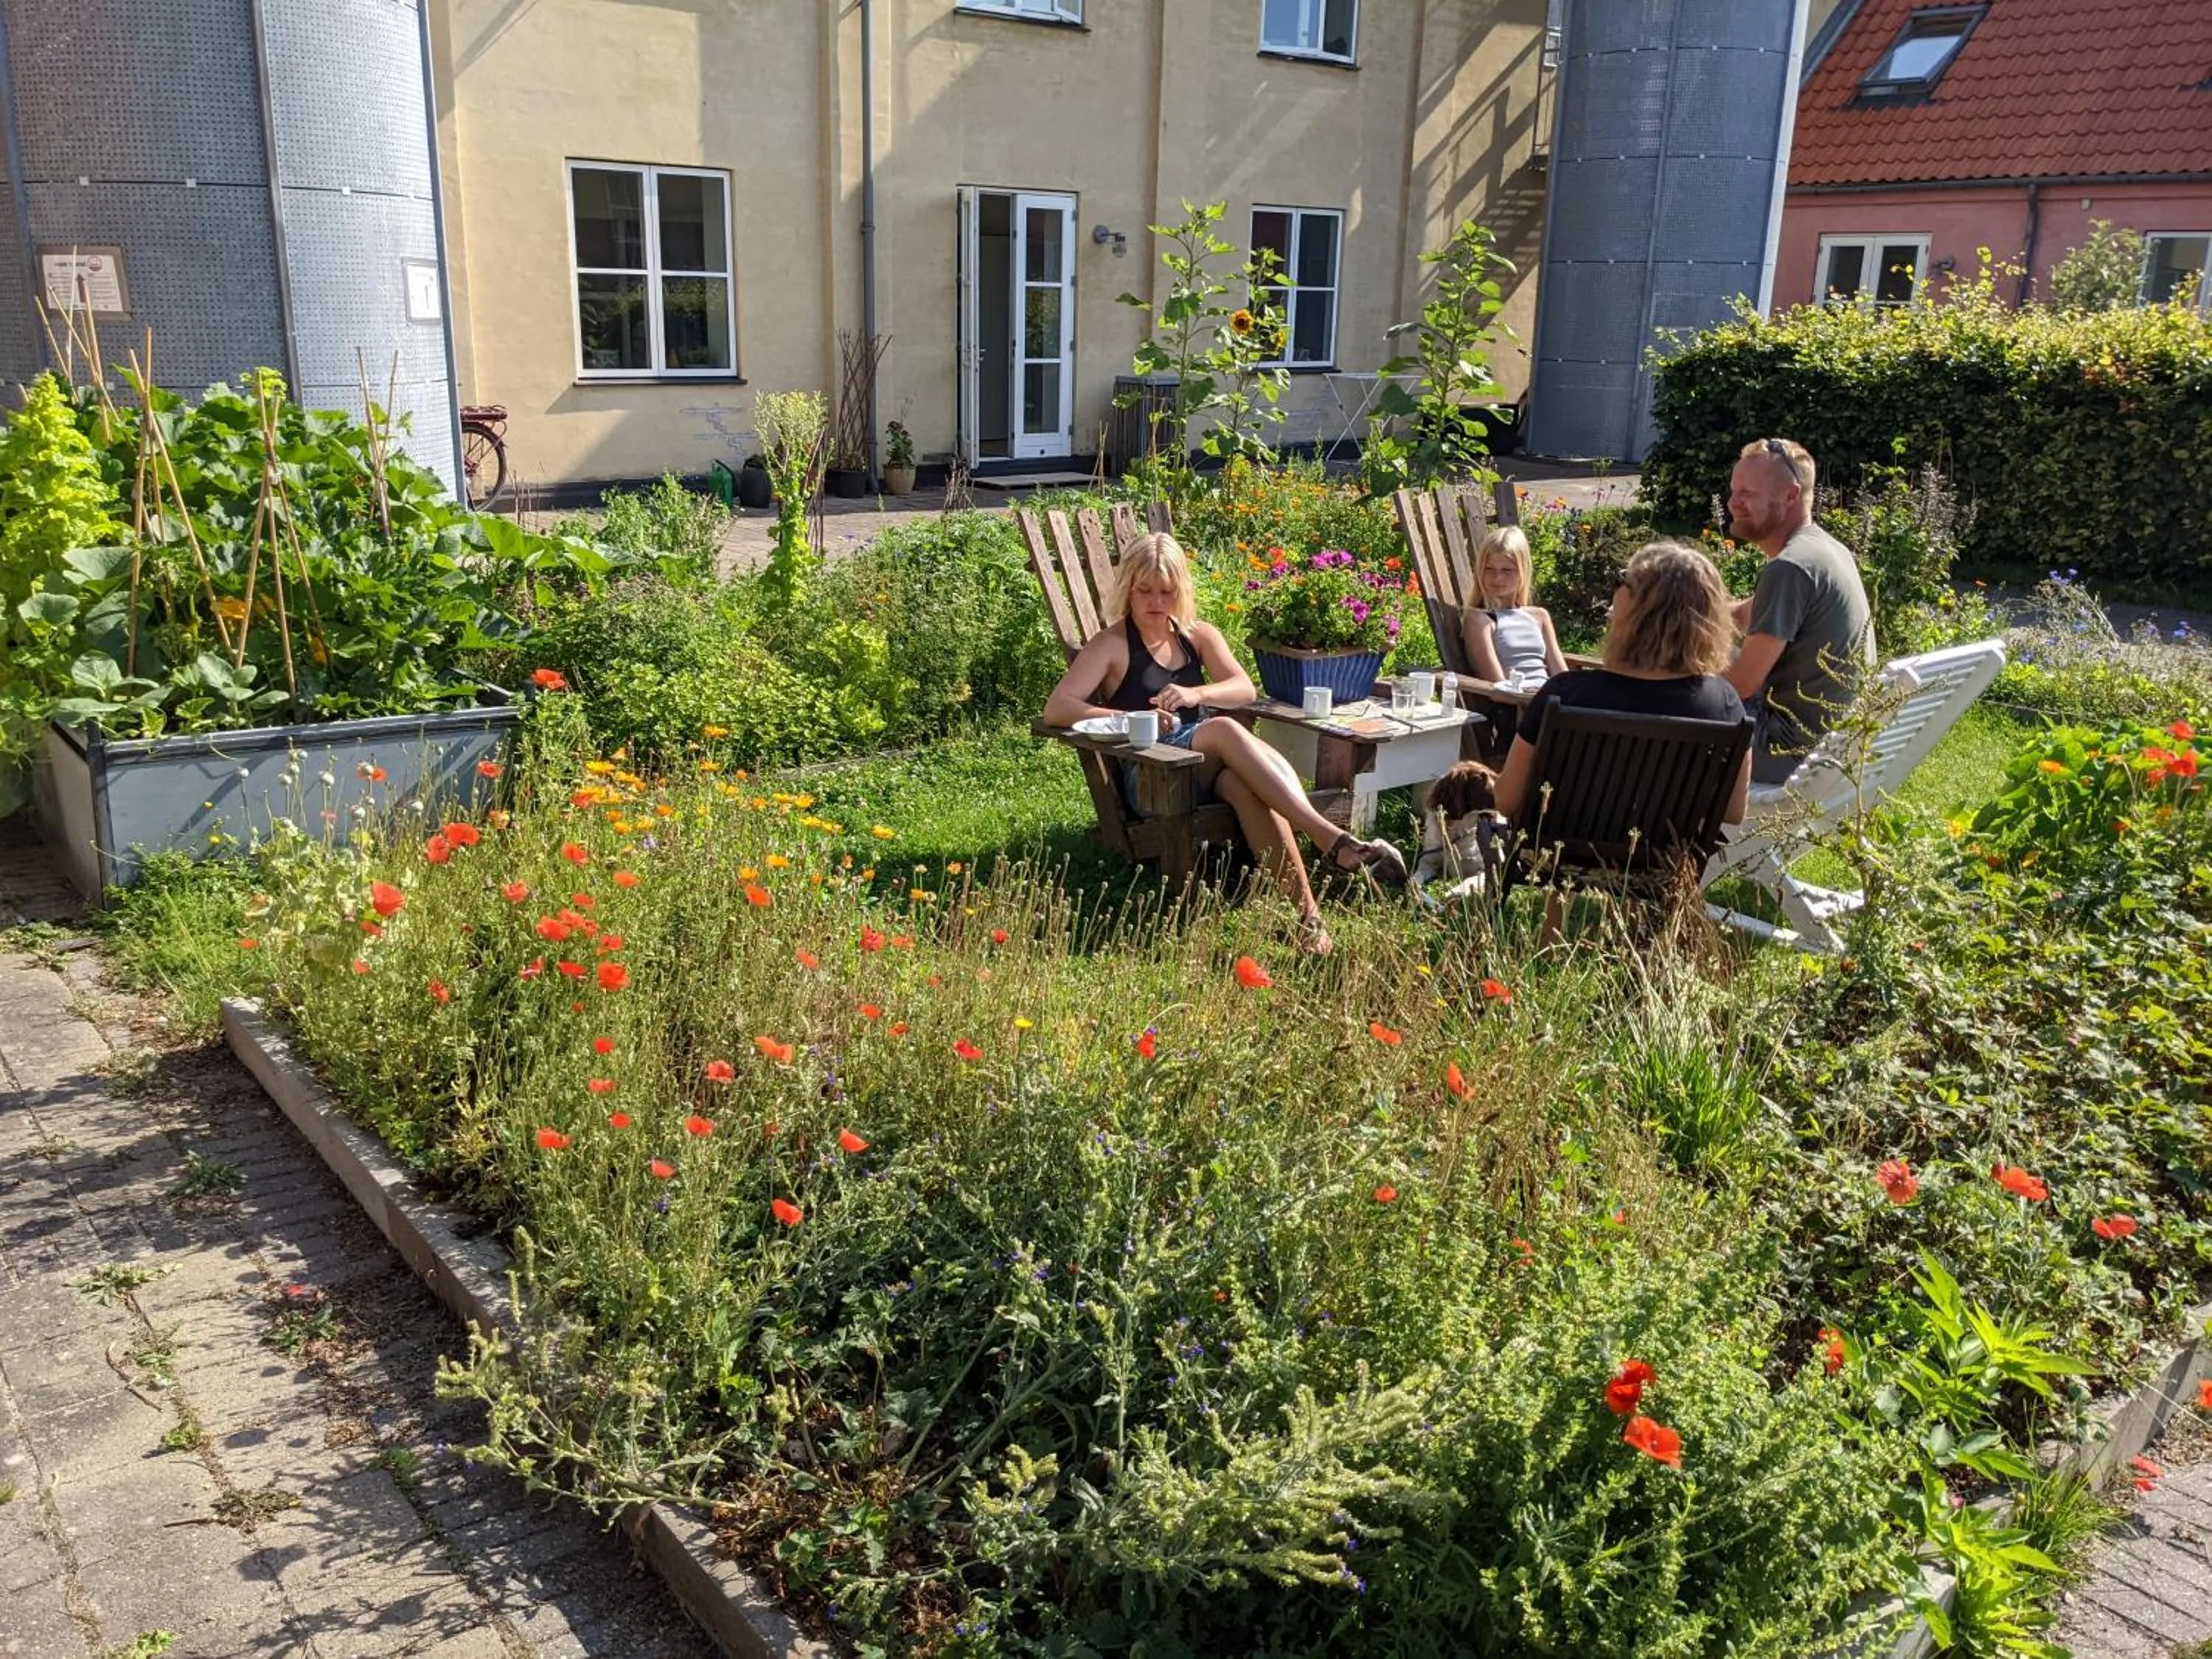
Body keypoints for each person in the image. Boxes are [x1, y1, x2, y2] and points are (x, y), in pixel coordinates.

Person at [1040, 533, 1407, 954]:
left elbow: (1243, 689)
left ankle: (1309, 922)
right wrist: (1132, 718)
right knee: (1225, 730)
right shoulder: (1111, 645)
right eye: (1144, 591)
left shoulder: (1196, 636)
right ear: (1127, 589)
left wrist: (1195, 693)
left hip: (1206, 768)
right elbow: (1058, 708)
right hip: (1153, 774)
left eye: (1166, 592)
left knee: (1242, 786)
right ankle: (1329, 837)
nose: (1156, 602)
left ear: (1181, 591)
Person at [1495, 540, 1750, 827]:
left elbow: (1506, 800)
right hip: (1665, 854)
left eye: (1622, 579)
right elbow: (1733, 812)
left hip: (1557, 854)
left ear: (1630, 613)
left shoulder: (1565, 694)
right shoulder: (1723, 704)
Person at [1722, 437, 1876, 784]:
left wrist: (1663, 662)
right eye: (1733, 491)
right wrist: (1671, 613)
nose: (1732, 503)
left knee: (1655, 710)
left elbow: (1741, 684)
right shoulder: (1823, 551)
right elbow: (1743, 615)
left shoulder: (1790, 568)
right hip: (1831, 746)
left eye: (1748, 493)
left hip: (1787, 753)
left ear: (1791, 495)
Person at [1461, 525, 1568, 686]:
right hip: (1519, 699)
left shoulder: (1539, 616)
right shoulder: (1480, 620)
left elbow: (1562, 676)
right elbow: (1498, 687)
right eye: (1489, 569)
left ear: (1522, 571)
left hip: (1551, 696)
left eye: (1507, 570)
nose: (1497, 578)